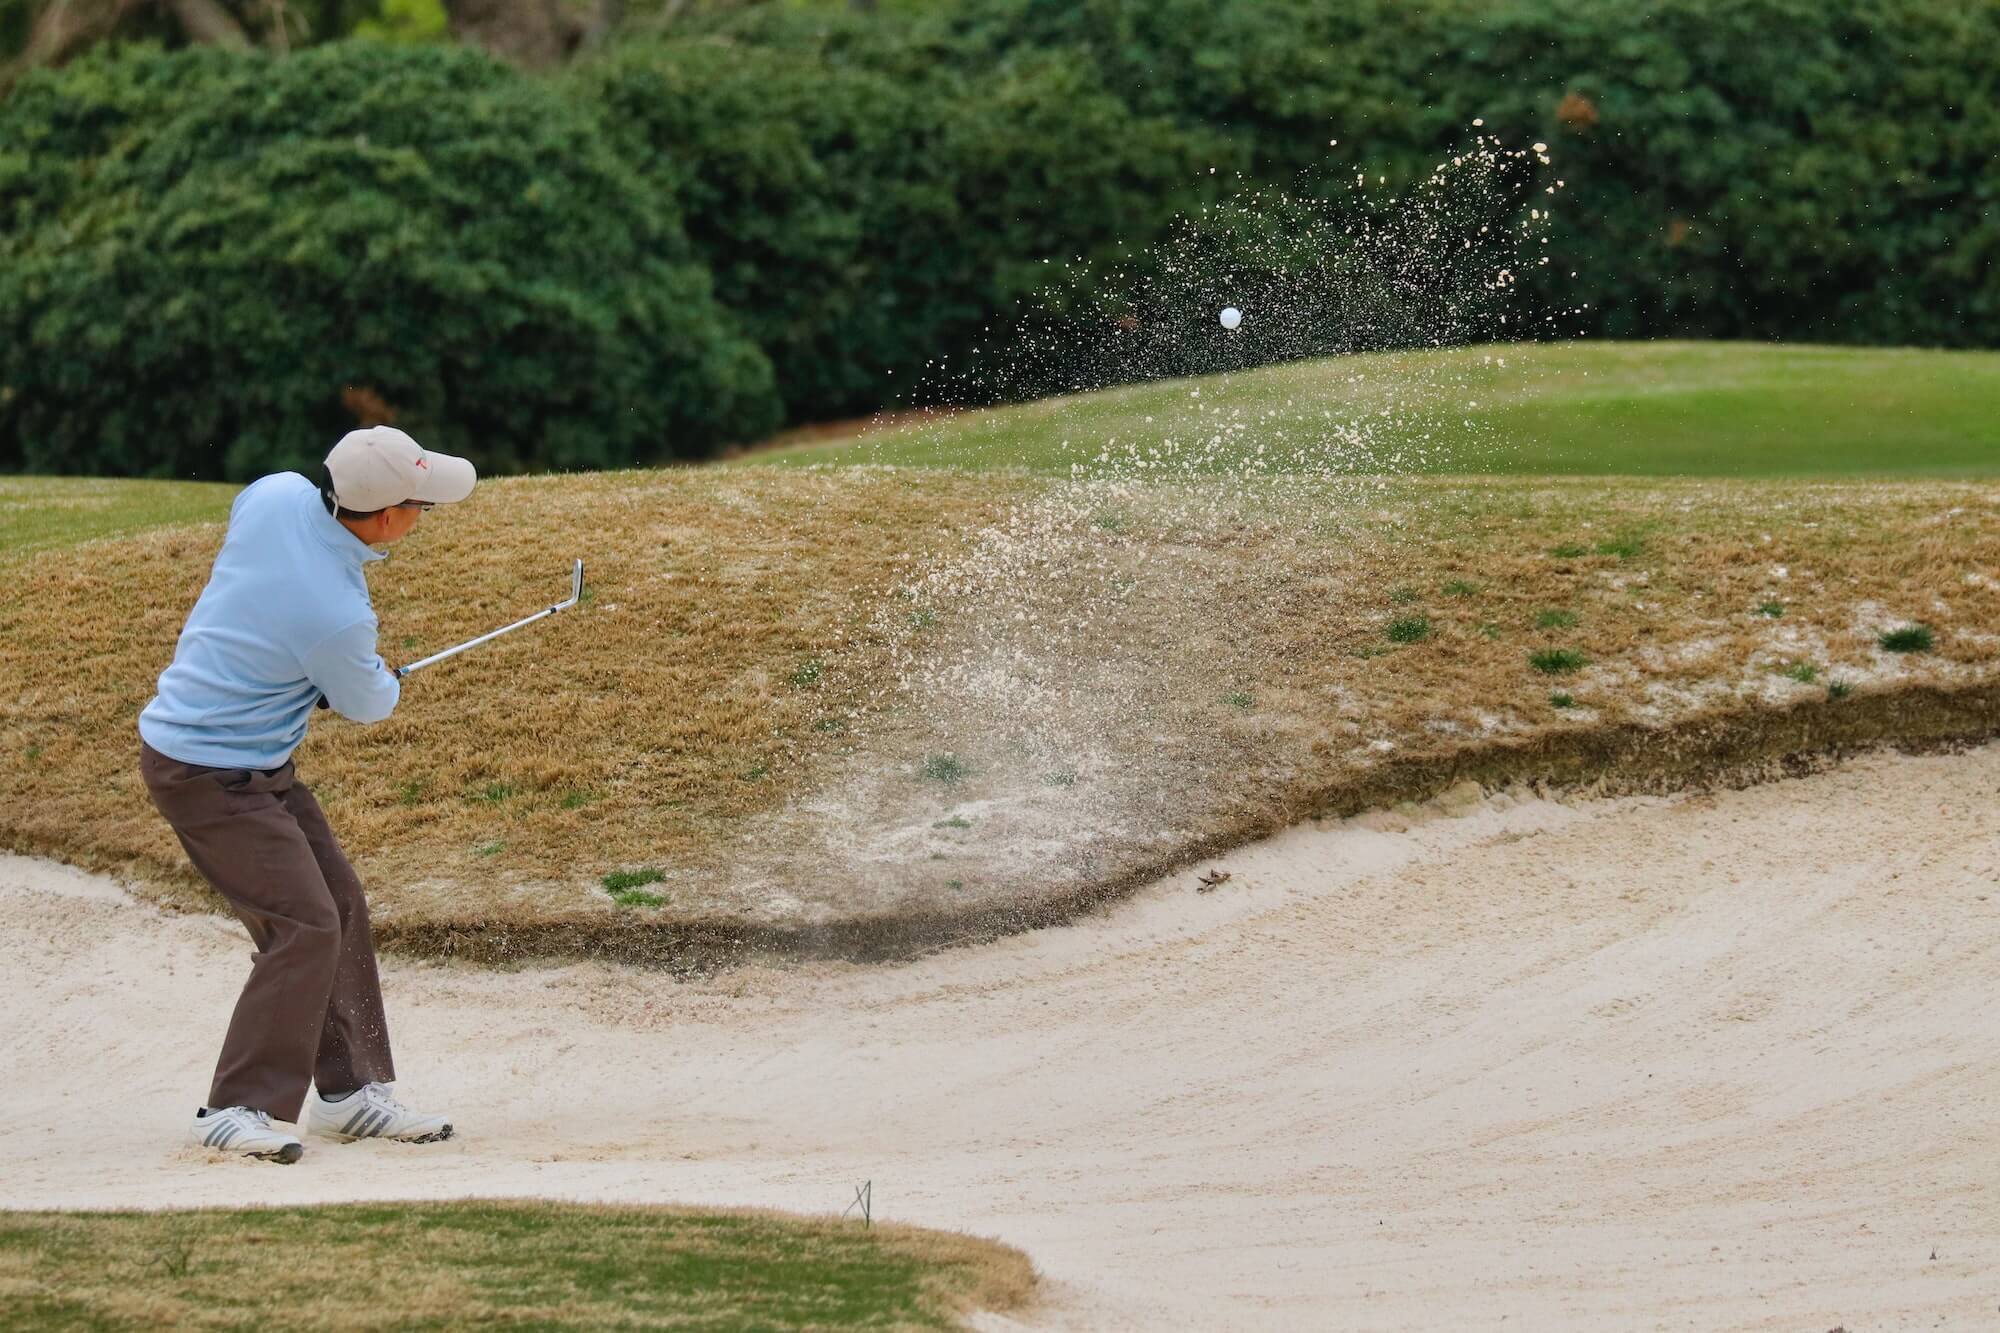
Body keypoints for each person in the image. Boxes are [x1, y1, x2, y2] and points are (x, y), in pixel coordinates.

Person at [137, 426, 476, 1163]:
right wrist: (362, 672)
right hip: (203, 773)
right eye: (420, 504)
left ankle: (350, 1093)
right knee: (304, 921)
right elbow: (370, 703)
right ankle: (235, 1106)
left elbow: (262, 581)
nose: (424, 514)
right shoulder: (337, 614)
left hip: (257, 763)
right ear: (387, 518)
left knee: (340, 902)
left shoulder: (277, 494)